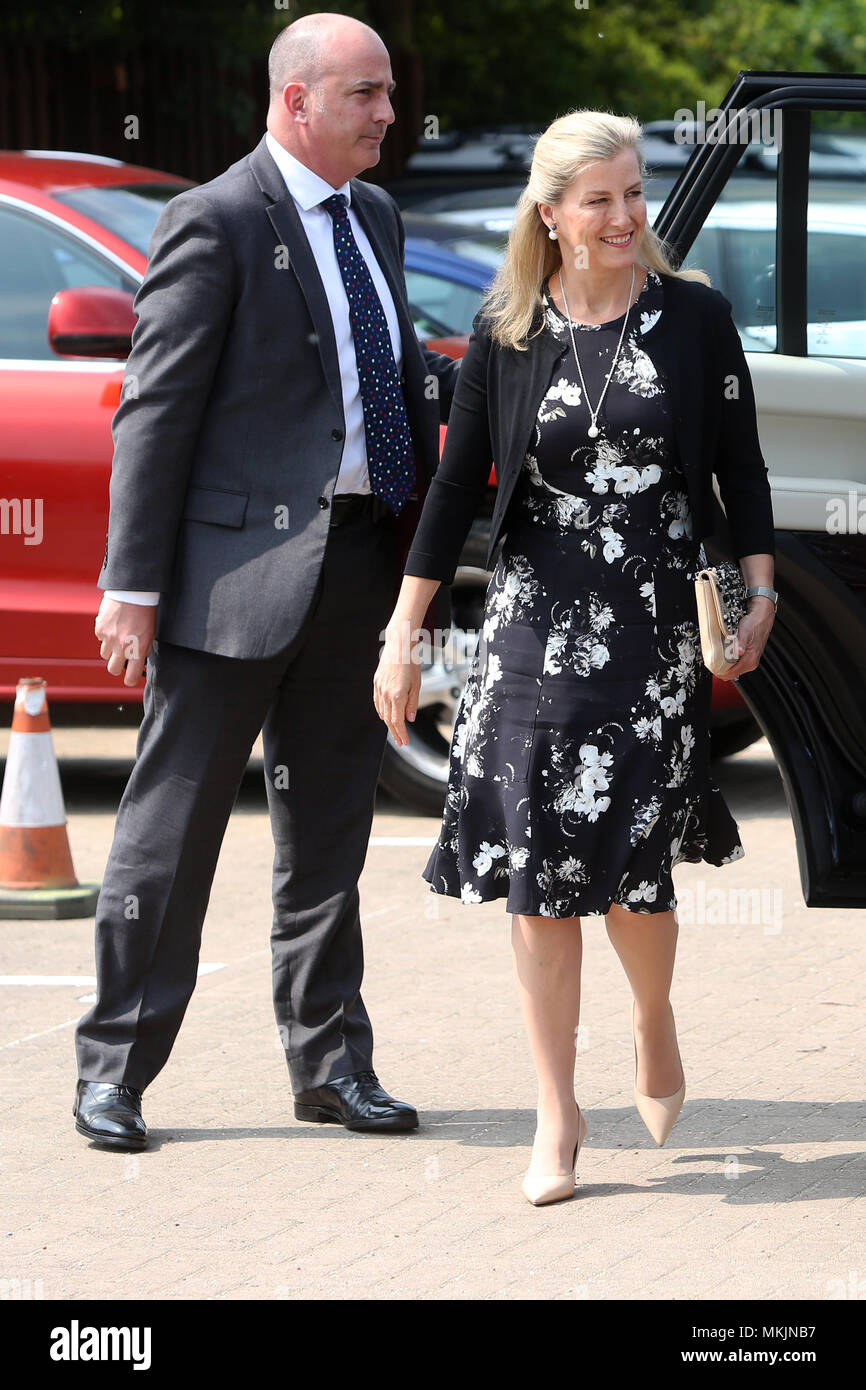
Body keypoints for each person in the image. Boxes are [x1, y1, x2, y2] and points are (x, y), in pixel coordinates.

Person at [374, 110, 776, 1205]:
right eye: (595, 199)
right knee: (541, 881)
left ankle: (651, 1021)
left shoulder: (692, 320)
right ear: (548, 214)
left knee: (633, 871)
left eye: (632, 194)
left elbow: (740, 469)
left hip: (648, 626)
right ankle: (556, 1114)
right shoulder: (504, 330)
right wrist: (405, 631)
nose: (620, 216)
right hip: (530, 624)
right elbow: (454, 491)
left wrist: (761, 590)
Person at [73, 12, 459, 1151]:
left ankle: (332, 1064)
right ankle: (113, 1071)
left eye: (388, 93)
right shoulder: (216, 218)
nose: (389, 113)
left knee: (330, 825)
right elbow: (155, 413)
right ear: (296, 100)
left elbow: (386, 380)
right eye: (366, 94)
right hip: (224, 580)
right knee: (170, 831)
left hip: (354, 568)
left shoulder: (375, 217)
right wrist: (130, 585)